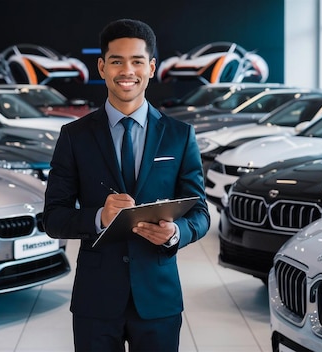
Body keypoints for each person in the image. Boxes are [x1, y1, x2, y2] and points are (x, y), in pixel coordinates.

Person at [42, 18, 210, 352]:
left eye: (136, 61)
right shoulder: (74, 137)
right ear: (102, 67)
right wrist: (98, 218)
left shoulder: (179, 136)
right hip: (96, 299)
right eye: (117, 61)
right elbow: (53, 218)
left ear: (151, 67)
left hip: (158, 298)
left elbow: (201, 213)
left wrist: (176, 233)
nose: (126, 71)